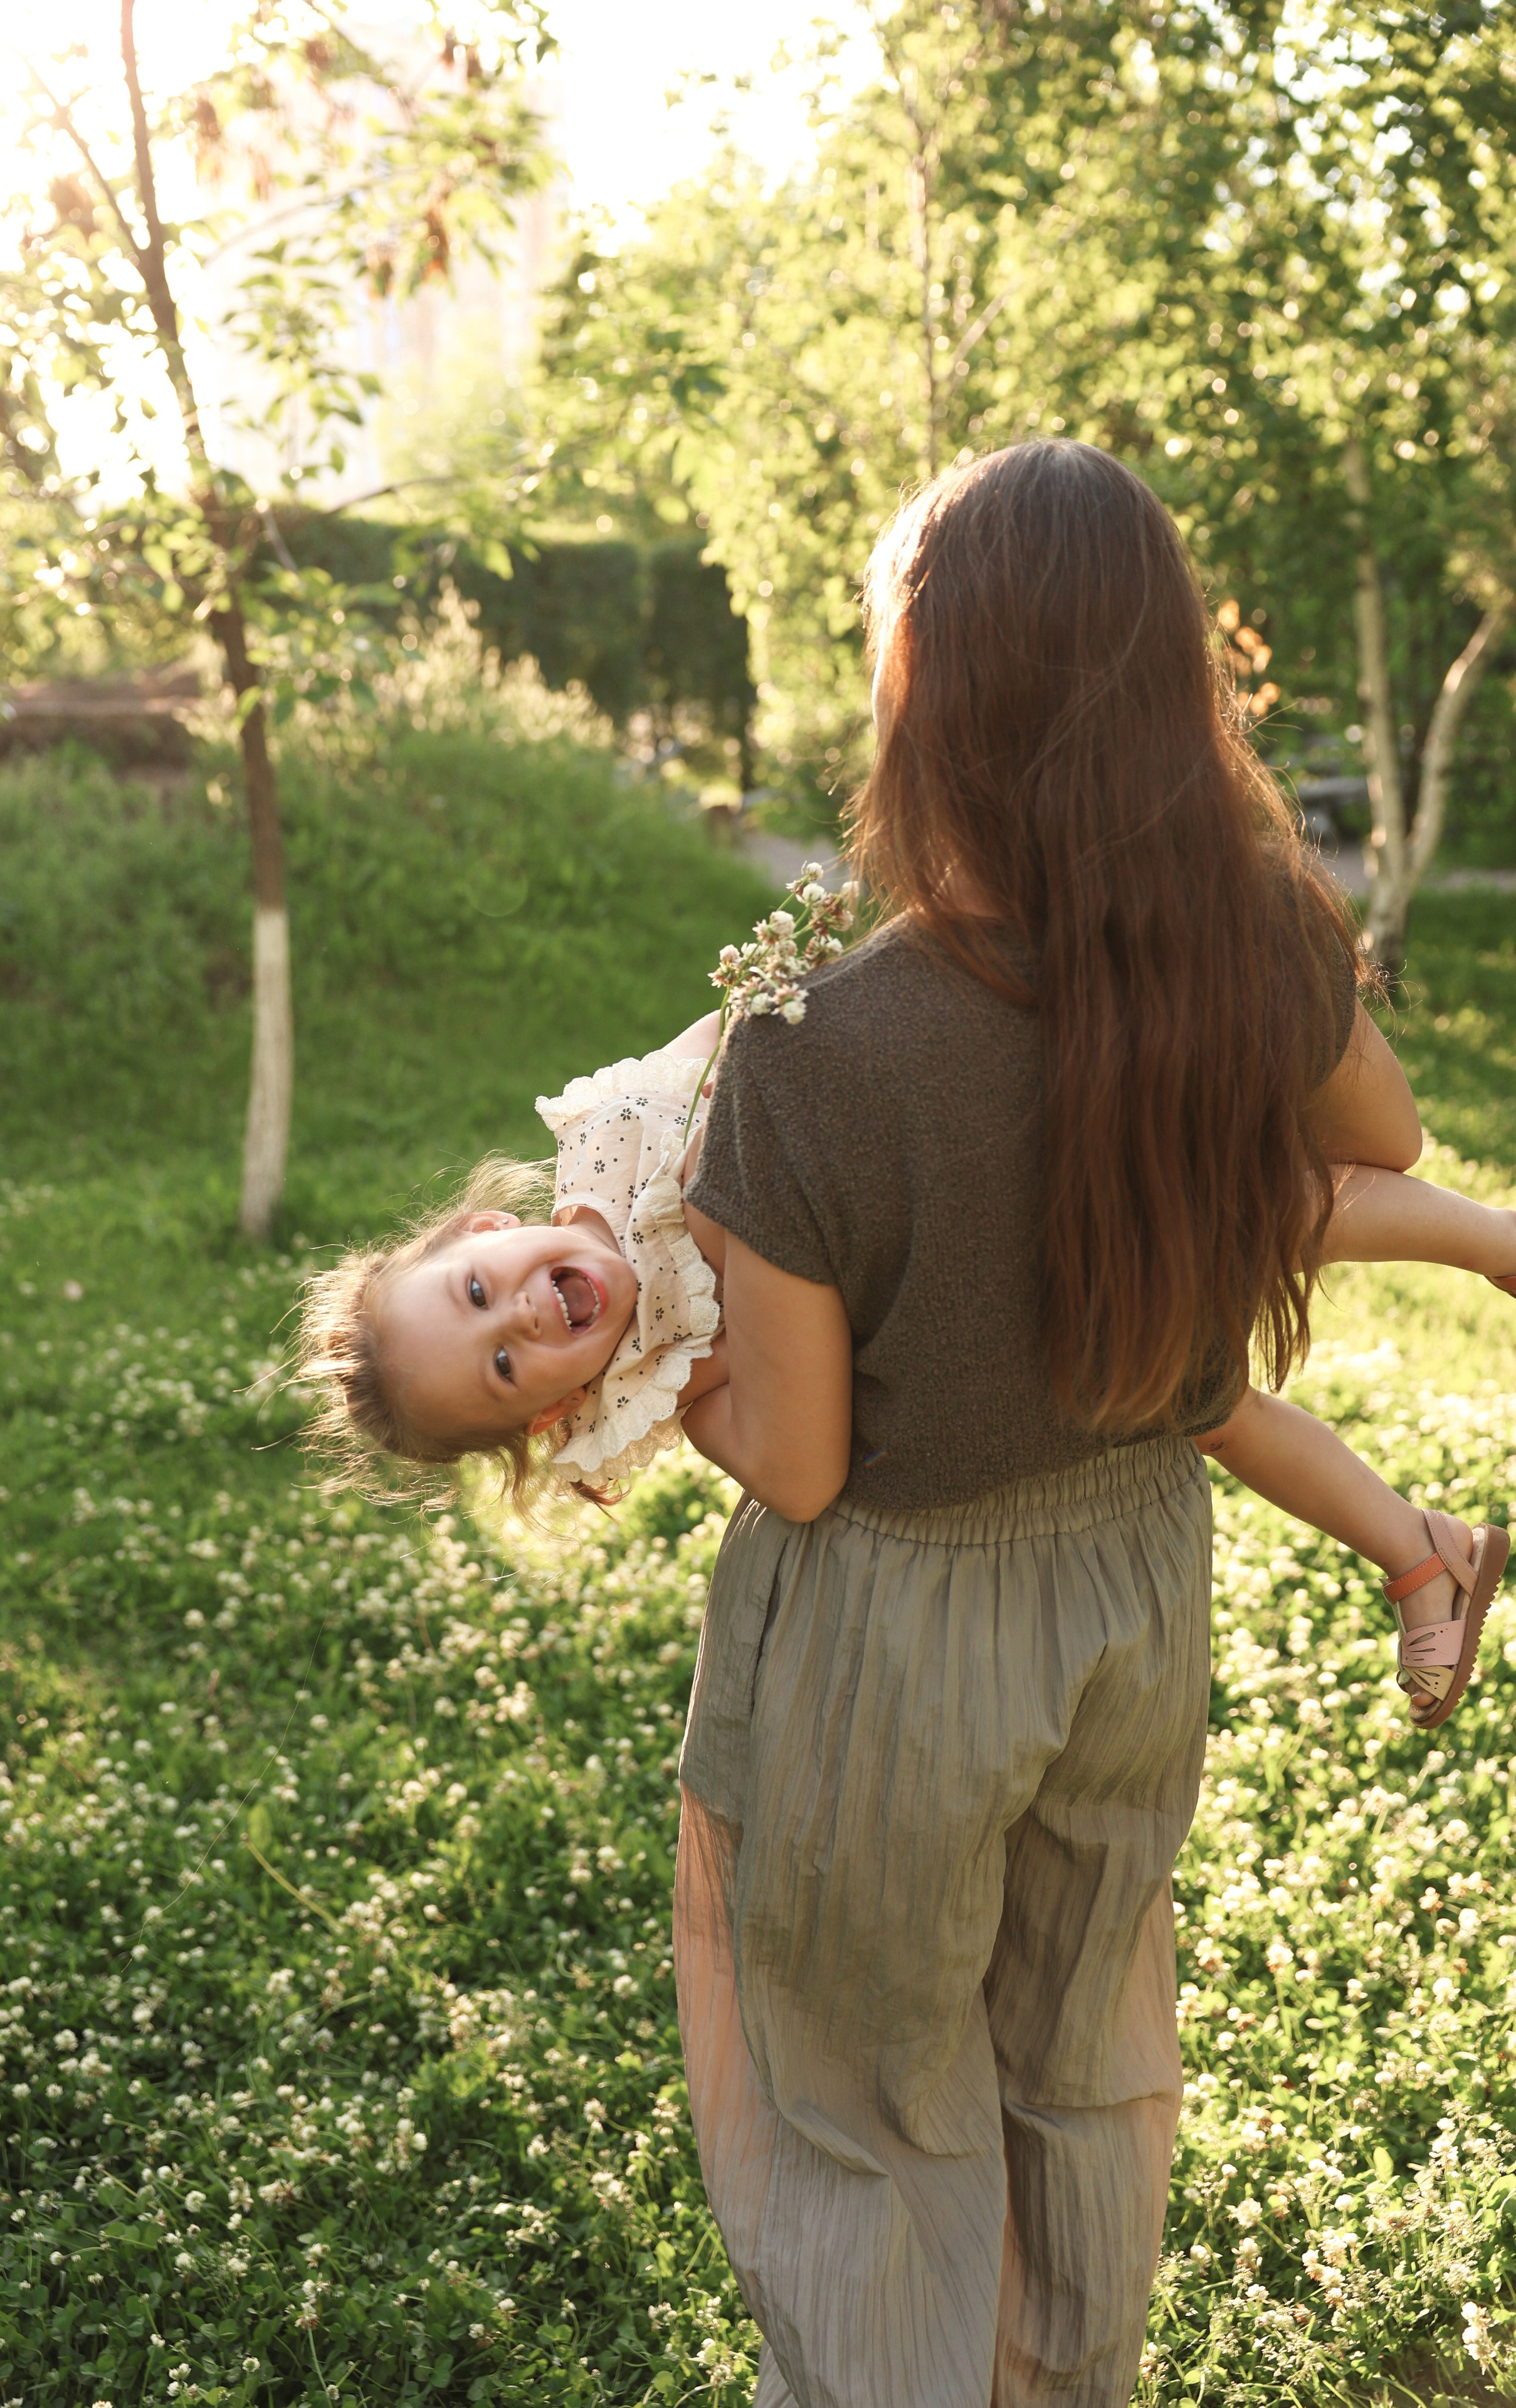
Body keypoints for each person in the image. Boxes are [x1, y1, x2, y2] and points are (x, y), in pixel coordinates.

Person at [661, 441, 1509, 2408]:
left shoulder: (810, 1056)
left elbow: (794, 1461)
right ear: (1160, 686)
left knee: (872, 2121)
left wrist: (673, 1346)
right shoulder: (1241, 958)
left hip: (891, 1648)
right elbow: (1377, 1137)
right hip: (1131, 1591)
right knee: (1079, 2067)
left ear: (922, 690)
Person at [296, 1004, 1513, 1733]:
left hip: (947, 1150)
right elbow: (786, 1459)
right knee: (1211, 1410)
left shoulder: (611, 1131)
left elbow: (752, 1031)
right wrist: (726, 1348)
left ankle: (1489, 1244)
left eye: (475, 1292)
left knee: (1216, 1207)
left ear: (484, 1236)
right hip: (952, 1290)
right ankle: (1417, 1555)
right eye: (503, 1364)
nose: (518, 1314)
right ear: (550, 1413)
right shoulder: (648, 1388)